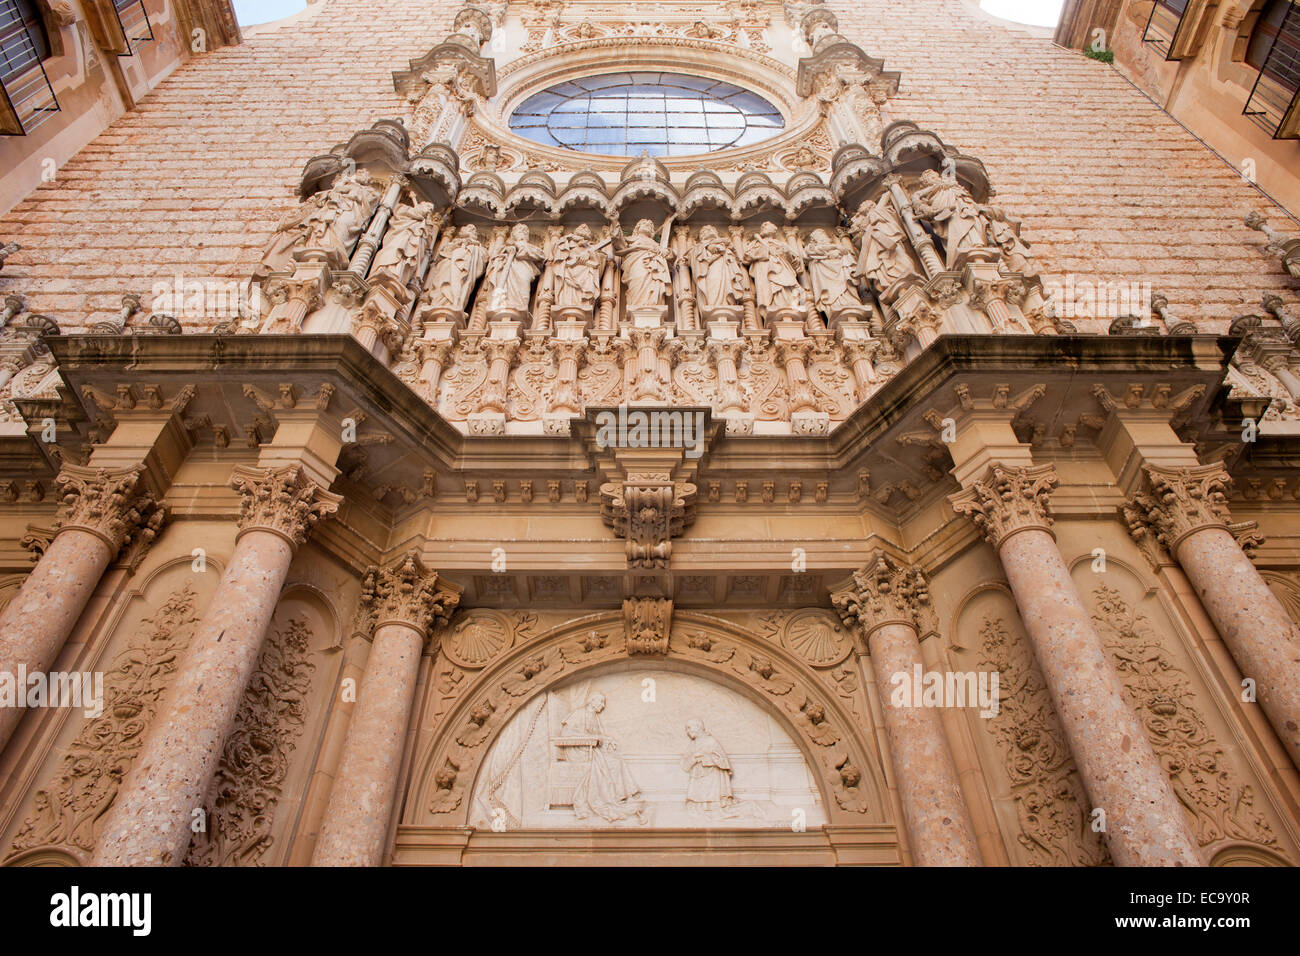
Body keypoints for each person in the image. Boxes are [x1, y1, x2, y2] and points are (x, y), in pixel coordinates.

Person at [558, 693, 645, 824]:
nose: (603, 705)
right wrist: (589, 739)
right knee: (603, 763)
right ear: (592, 702)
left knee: (616, 761)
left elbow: (598, 736)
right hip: (577, 750)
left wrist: (608, 740)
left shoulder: (594, 716)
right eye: (601, 702)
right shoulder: (579, 714)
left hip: (590, 748)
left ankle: (624, 795)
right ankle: (612, 797)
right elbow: (566, 734)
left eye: (603, 703)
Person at [681, 719, 735, 812]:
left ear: (698, 727)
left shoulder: (711, 741)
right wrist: (694, 758)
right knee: (697, 800)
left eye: (689, 728)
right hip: (697, 774)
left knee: (711, 797)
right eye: (687, 729)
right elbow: (685, 761)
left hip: (712, 775)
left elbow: (722, 759)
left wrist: (705, 758)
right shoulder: (693, 743)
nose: (687, 732)